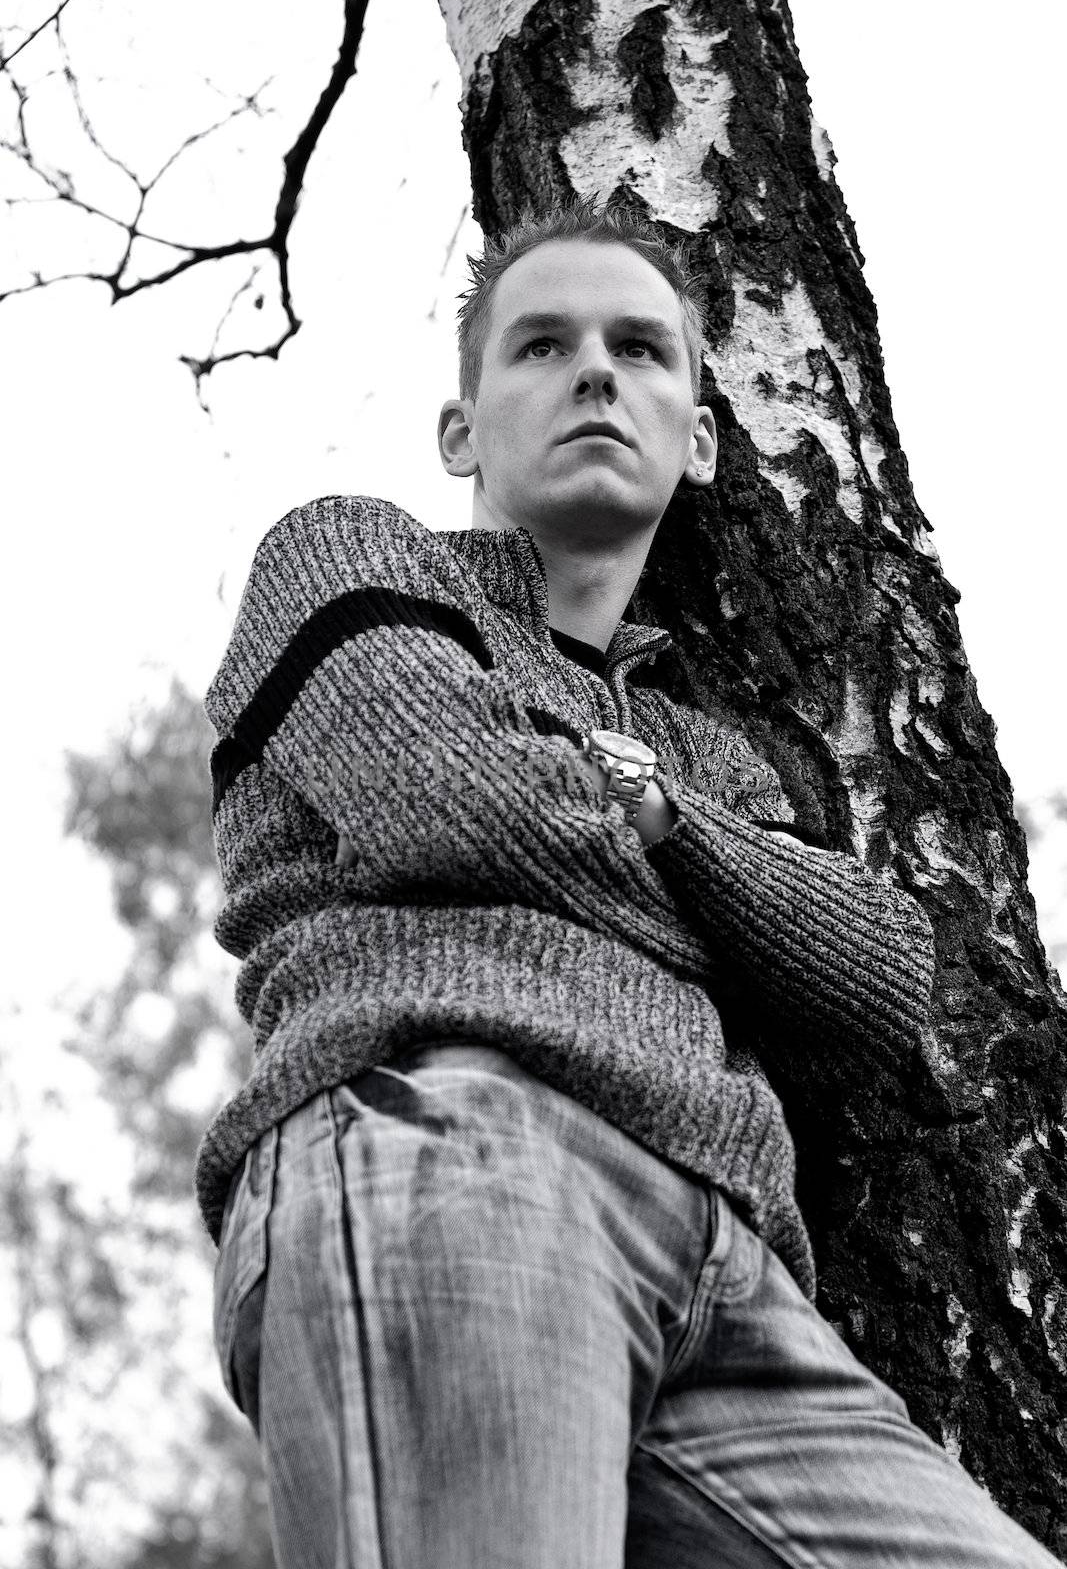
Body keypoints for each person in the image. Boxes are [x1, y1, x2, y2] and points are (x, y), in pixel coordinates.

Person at [200, 196, 1060, 1567]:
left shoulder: (720, 758)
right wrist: (729, 905)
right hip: (453, 1148)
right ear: (461, 429)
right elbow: (447, 799)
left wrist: (665, 817)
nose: (597, 370)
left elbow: (878, 984)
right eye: (540, 345)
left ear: (702, 435)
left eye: (643, 350)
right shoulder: (352, 558)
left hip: (742, 1286)